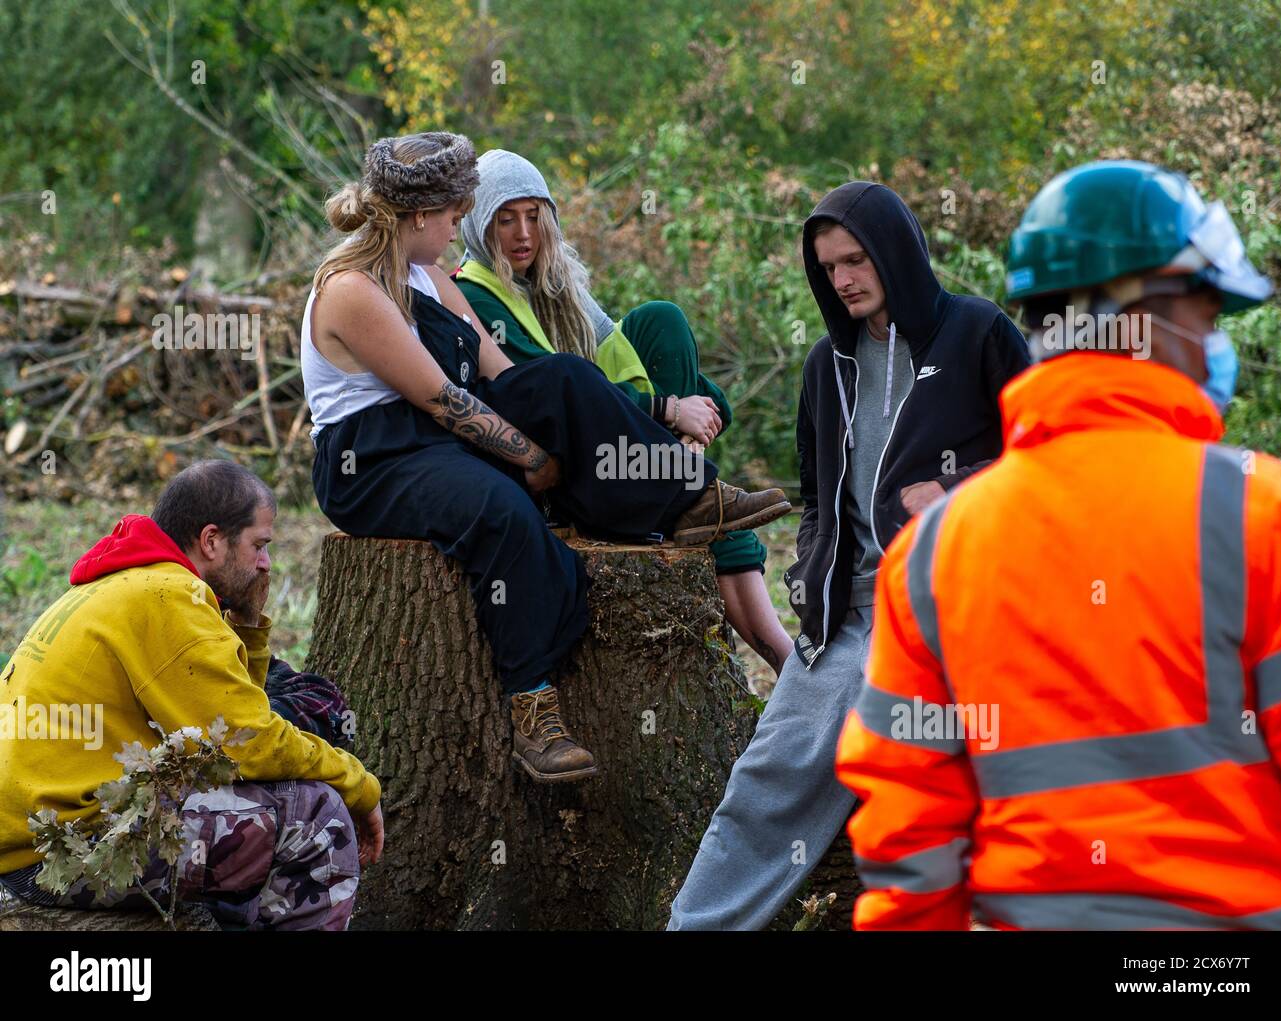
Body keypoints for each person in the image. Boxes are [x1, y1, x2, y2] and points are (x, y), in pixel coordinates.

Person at [835, 159, 1281, 930]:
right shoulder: (1268, 513)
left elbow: (908, 835)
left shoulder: (934, 551)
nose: (1217, 339)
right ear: (1147, 314)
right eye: (1210, 313)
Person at [302, 132, 791, 784]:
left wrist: (558, 418)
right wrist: (534, 458)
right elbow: (440, 396)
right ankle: (533, 711)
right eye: (454, 214)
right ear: (419, 215)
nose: (458, 228)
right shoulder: (352, 288)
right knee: (502, 509)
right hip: (376, 459)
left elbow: (500, 375)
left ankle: (687, 495)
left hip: (438, 433)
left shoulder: (430, 277)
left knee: (565, 378)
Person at [668, 181, 1029, 928]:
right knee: (766, 774)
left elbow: (1046, 464)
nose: (844, 279)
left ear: (896, 250)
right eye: (829, 267)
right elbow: (814, 492)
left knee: (948, 766)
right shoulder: (823, 367)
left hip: (951, 604)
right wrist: (808, 574)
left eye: (857, 259)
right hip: (846, 613)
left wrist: (962, 499)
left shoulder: (979, 334)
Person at [451, 149, 794, 675]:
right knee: (594, 382)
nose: (523, 234)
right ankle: (765, 624)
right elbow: (562, 395)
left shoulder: (558, 285)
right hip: (576, 463)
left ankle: (688, 494)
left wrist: (691, 409)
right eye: (505, 218)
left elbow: (654, 381)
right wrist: (671, 408)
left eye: (534, 216)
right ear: (478, 224)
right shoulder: (475, 292)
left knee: (661, 319)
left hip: (629, 450)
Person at [0, 460, 382, 930]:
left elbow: (236, 710)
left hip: (35, 841)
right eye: (259, 545)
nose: (266, 562)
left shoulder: (124, 582)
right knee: (317, 817)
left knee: (262, 798)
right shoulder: (169, 595)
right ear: (211, 540)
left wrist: (247, 626)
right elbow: (249, 741)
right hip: (65, 856)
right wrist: (361, 787)